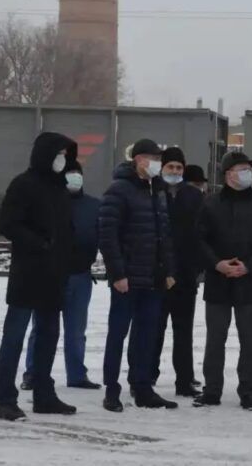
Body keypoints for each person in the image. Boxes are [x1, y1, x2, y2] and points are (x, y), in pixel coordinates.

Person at [0, 132, 78, 421]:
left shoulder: (60, 188)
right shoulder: (23, 184)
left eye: (67, 155)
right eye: (59, 154)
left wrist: (68, 256)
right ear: (45, 154)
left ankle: (44, 394)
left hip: (54, 276)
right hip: (28, 273)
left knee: (48, 336)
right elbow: (8, 224)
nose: (63, 160)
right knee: (15, 337)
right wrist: (40, 244)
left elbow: (66, 229)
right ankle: (6, 399)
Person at [192, 151, 252, 411]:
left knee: (250, 340)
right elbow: (198, 239)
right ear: (229, 174)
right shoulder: (210, 203)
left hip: (250, 283)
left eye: (248, 169)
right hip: (219, 282)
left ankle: (247, 391)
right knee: (215, 339)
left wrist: (249, 266)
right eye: (241, 169)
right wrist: (217, 264)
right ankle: (212, 390)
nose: (247, 173)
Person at [98, 138, 178, 412]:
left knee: (146, 336)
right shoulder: (119, 189)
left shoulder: (159, 190)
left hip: (154, 279)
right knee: (118, 334)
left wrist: (168, 270)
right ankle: (111, 389)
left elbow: (164, 234)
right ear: (138, 160)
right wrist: (117, 274)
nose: (157, 163)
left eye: (159, 158)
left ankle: (142, 388)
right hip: (128, 278)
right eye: (153, 158)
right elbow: (108, 235)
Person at [22, 160, 101, 391]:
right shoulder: (47, 203)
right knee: (41, 328)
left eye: (77, 173)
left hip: (80, 276)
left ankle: (77, 375)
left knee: (76, 331)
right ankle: (33, 373)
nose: (74, 177)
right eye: (69, 173)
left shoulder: (94, 206)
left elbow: (102, 236)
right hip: (50, 275)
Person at [152, 147, 204, 397]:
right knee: (154, 329)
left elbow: (202, 233)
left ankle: (184, 381)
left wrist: (197, 267)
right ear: (162, 168)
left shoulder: (193, 195)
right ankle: (146, 375)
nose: (174, 171)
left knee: (183, 332)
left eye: (179, 167)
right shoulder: (152, 191)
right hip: (158, 273)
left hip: (185, 274)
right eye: (170, 166)